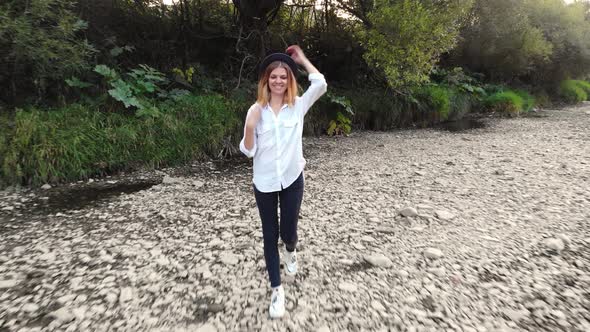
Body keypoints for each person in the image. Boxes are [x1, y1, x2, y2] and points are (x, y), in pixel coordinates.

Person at [239, 45, 327, 318]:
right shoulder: (255, 110)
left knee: (288, 231)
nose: (278, 81)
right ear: (266, 81)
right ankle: (277, 291)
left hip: (292, 179)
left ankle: (291, 250)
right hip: (264, 182)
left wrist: (301, 60)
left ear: (289, 80)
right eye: (273, 77)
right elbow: (248, 151)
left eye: (283, 76)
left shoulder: (297, 106)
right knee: (269, 236)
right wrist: (251, 127)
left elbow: (321, 83)